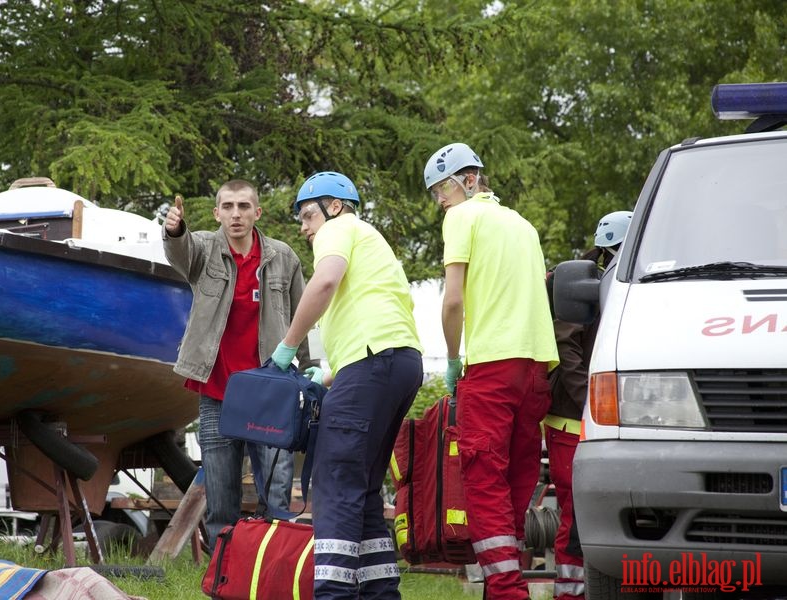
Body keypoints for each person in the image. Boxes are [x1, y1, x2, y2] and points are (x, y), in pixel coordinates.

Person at [269, 171, 423, 600]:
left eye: (306, 215)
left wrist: (288, 347)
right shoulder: (374, 243)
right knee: (364, 486)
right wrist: (331, 374)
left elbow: (325, 281)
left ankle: (334, 594)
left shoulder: (338, 229)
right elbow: (379, 327)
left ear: (333, 206)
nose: (303, 227)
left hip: (373, 367)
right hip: (399, 363)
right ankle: (379, 593)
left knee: (335, 479)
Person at [424, 142, 559, 600]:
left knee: (482, 476)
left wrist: (451, 356)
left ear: (467, 179)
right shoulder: (524, 226)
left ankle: (504, 590)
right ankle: (509, 577)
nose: (438, 201)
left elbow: (454, 298)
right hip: (536, 369)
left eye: (440, 189)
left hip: (492, 367)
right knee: (519, 476)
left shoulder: (462, 218)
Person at [162, 180, 316, 546]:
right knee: (221, 496)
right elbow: (180, 254)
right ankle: (223, 570)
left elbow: (302, 316)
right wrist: (175, 230)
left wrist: (309, 369)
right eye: (228, 206)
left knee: (276, 493)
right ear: (216, 213)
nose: (236, 214)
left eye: (244, 206)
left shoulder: (284, 257)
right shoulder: (202, 248)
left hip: (271, 393)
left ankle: (271, 562)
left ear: (257, 212)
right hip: (218, 392)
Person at [544, 210, 632, 600]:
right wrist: (590, 406)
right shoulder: (584, 286)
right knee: (575, 514)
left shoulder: (618, 284)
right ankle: (571, 595)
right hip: (573, 420)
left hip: (598, 418)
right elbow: (567, 351)